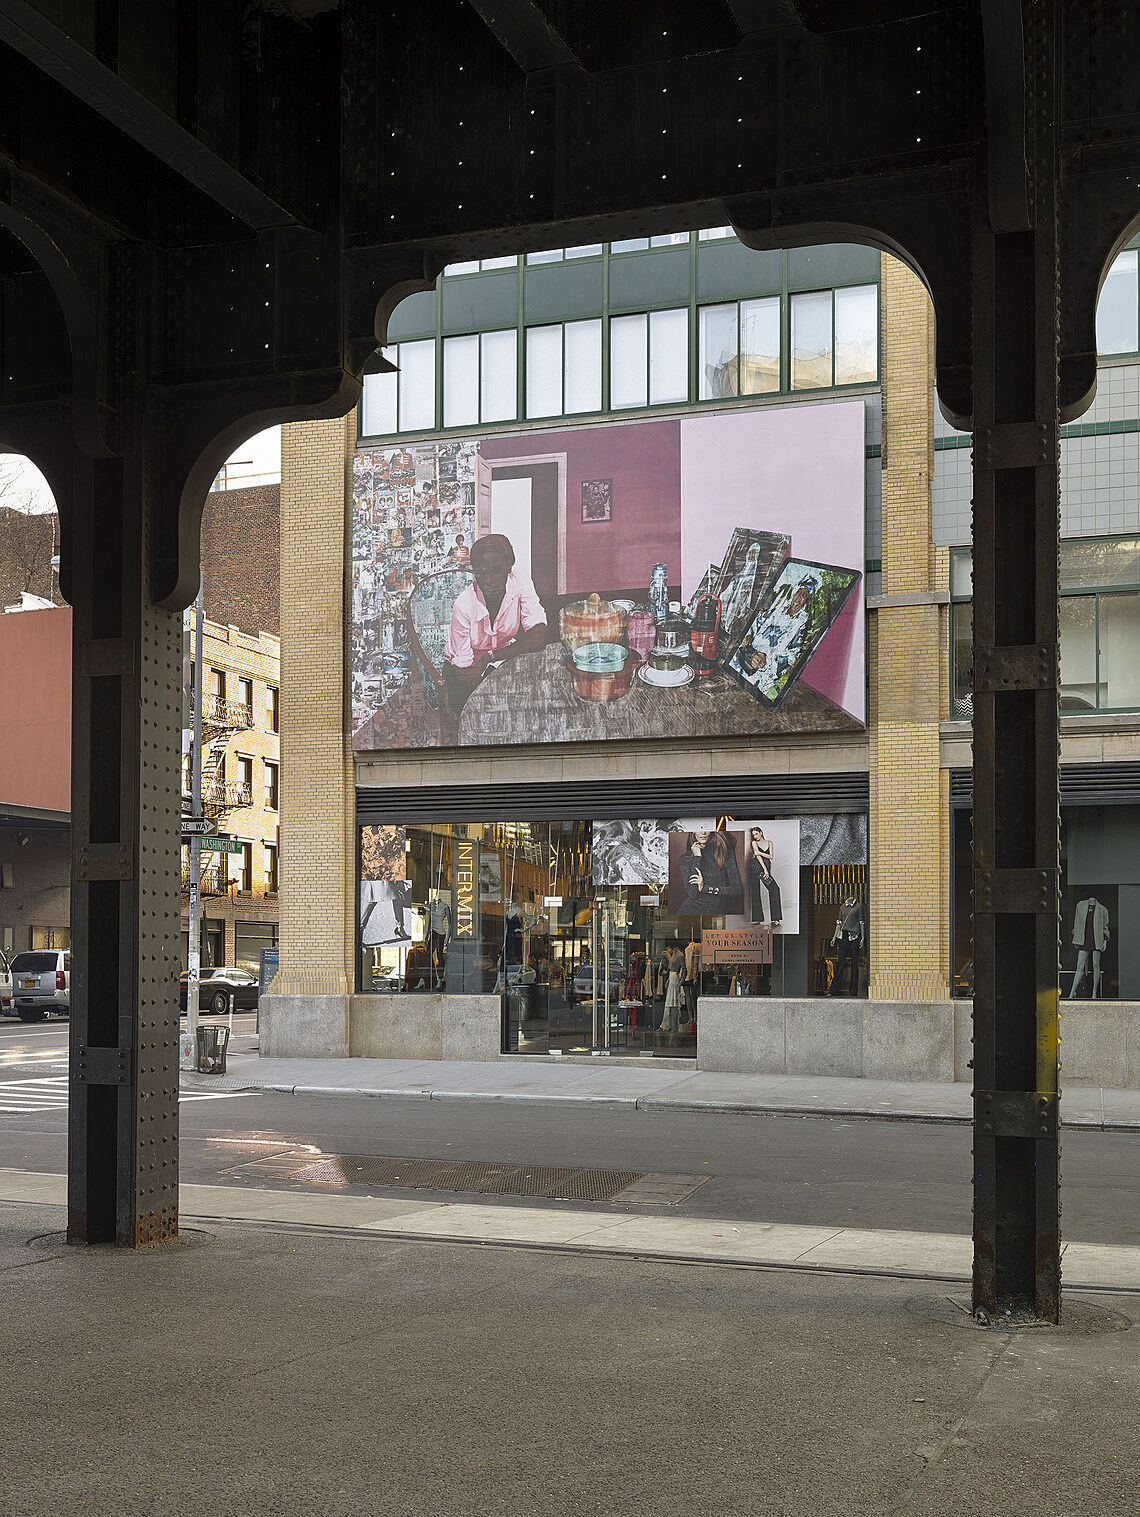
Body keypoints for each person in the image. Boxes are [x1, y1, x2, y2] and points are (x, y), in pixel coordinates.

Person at [443, 533, 548, 714]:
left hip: (497, 664)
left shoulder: (520, 582)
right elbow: (465, 673)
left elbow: (538, 636)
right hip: (463, 677)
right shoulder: (464, 606)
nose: (489, 581)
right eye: (481, 573)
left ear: (509, 566)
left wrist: (491, 657)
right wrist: (501, 693)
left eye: (495, 571)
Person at [677, 829, 743, 915]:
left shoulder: (723, 851)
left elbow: (737, 891)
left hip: (716, 913)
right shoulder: (685, 859)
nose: (703, 833)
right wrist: (697, 857)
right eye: (698, 829)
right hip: (689, 912)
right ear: (693, 831)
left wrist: (705, 888)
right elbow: (692, 893)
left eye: (706, 829)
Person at [745, 825, 782, 927]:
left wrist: (760, 852)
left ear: (761, 832)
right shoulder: (754, 843)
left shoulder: (769, 842)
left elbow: (771, 856)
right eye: (753, 835)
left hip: (766, 867)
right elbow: (758, 857)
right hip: (756, 867)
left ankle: (775, 919)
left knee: (774, 889)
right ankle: (759, 919)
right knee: (756, 892)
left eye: (756, 833)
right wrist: (765, 870)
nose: (755, 836)